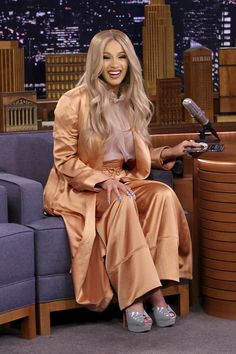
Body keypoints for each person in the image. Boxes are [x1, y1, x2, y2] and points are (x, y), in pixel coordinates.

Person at [44, 29, 201, 333]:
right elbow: (64, 161)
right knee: (122, 199)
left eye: (121, 57)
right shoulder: (72, 101)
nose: (114, 64)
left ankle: (158, 284)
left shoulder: (131, 101)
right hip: (80, 185)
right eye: (106, 57)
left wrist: (173, 151)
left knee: (162, 195)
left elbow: (135, 156)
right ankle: (139, 300)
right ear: (95, 63)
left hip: (121, 177)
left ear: (130, 62)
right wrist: (102, 182)